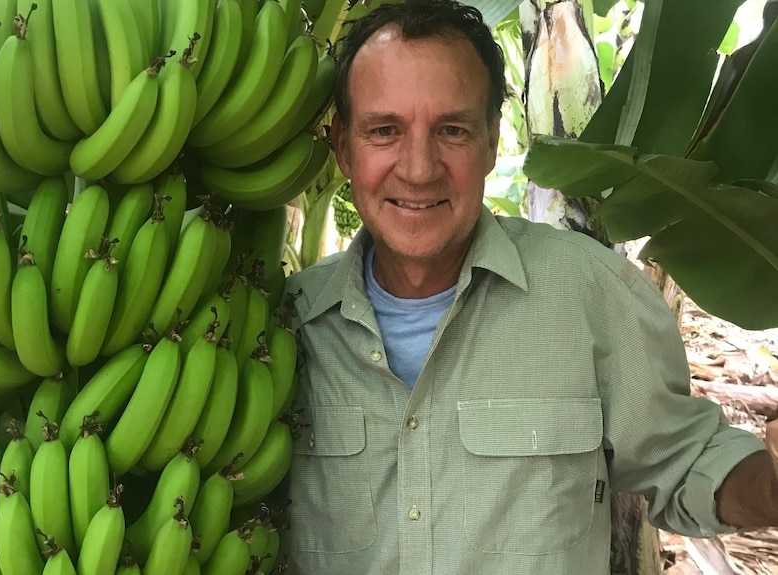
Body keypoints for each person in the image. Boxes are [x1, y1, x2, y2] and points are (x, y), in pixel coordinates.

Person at [278, 0, 778, 573]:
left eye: (452, 130)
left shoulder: (590, 291)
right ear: (342, 145)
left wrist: (772, 485)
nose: (418, 168)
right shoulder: (285, 325)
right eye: (384, 131)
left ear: (493, 140)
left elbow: (685, 462)